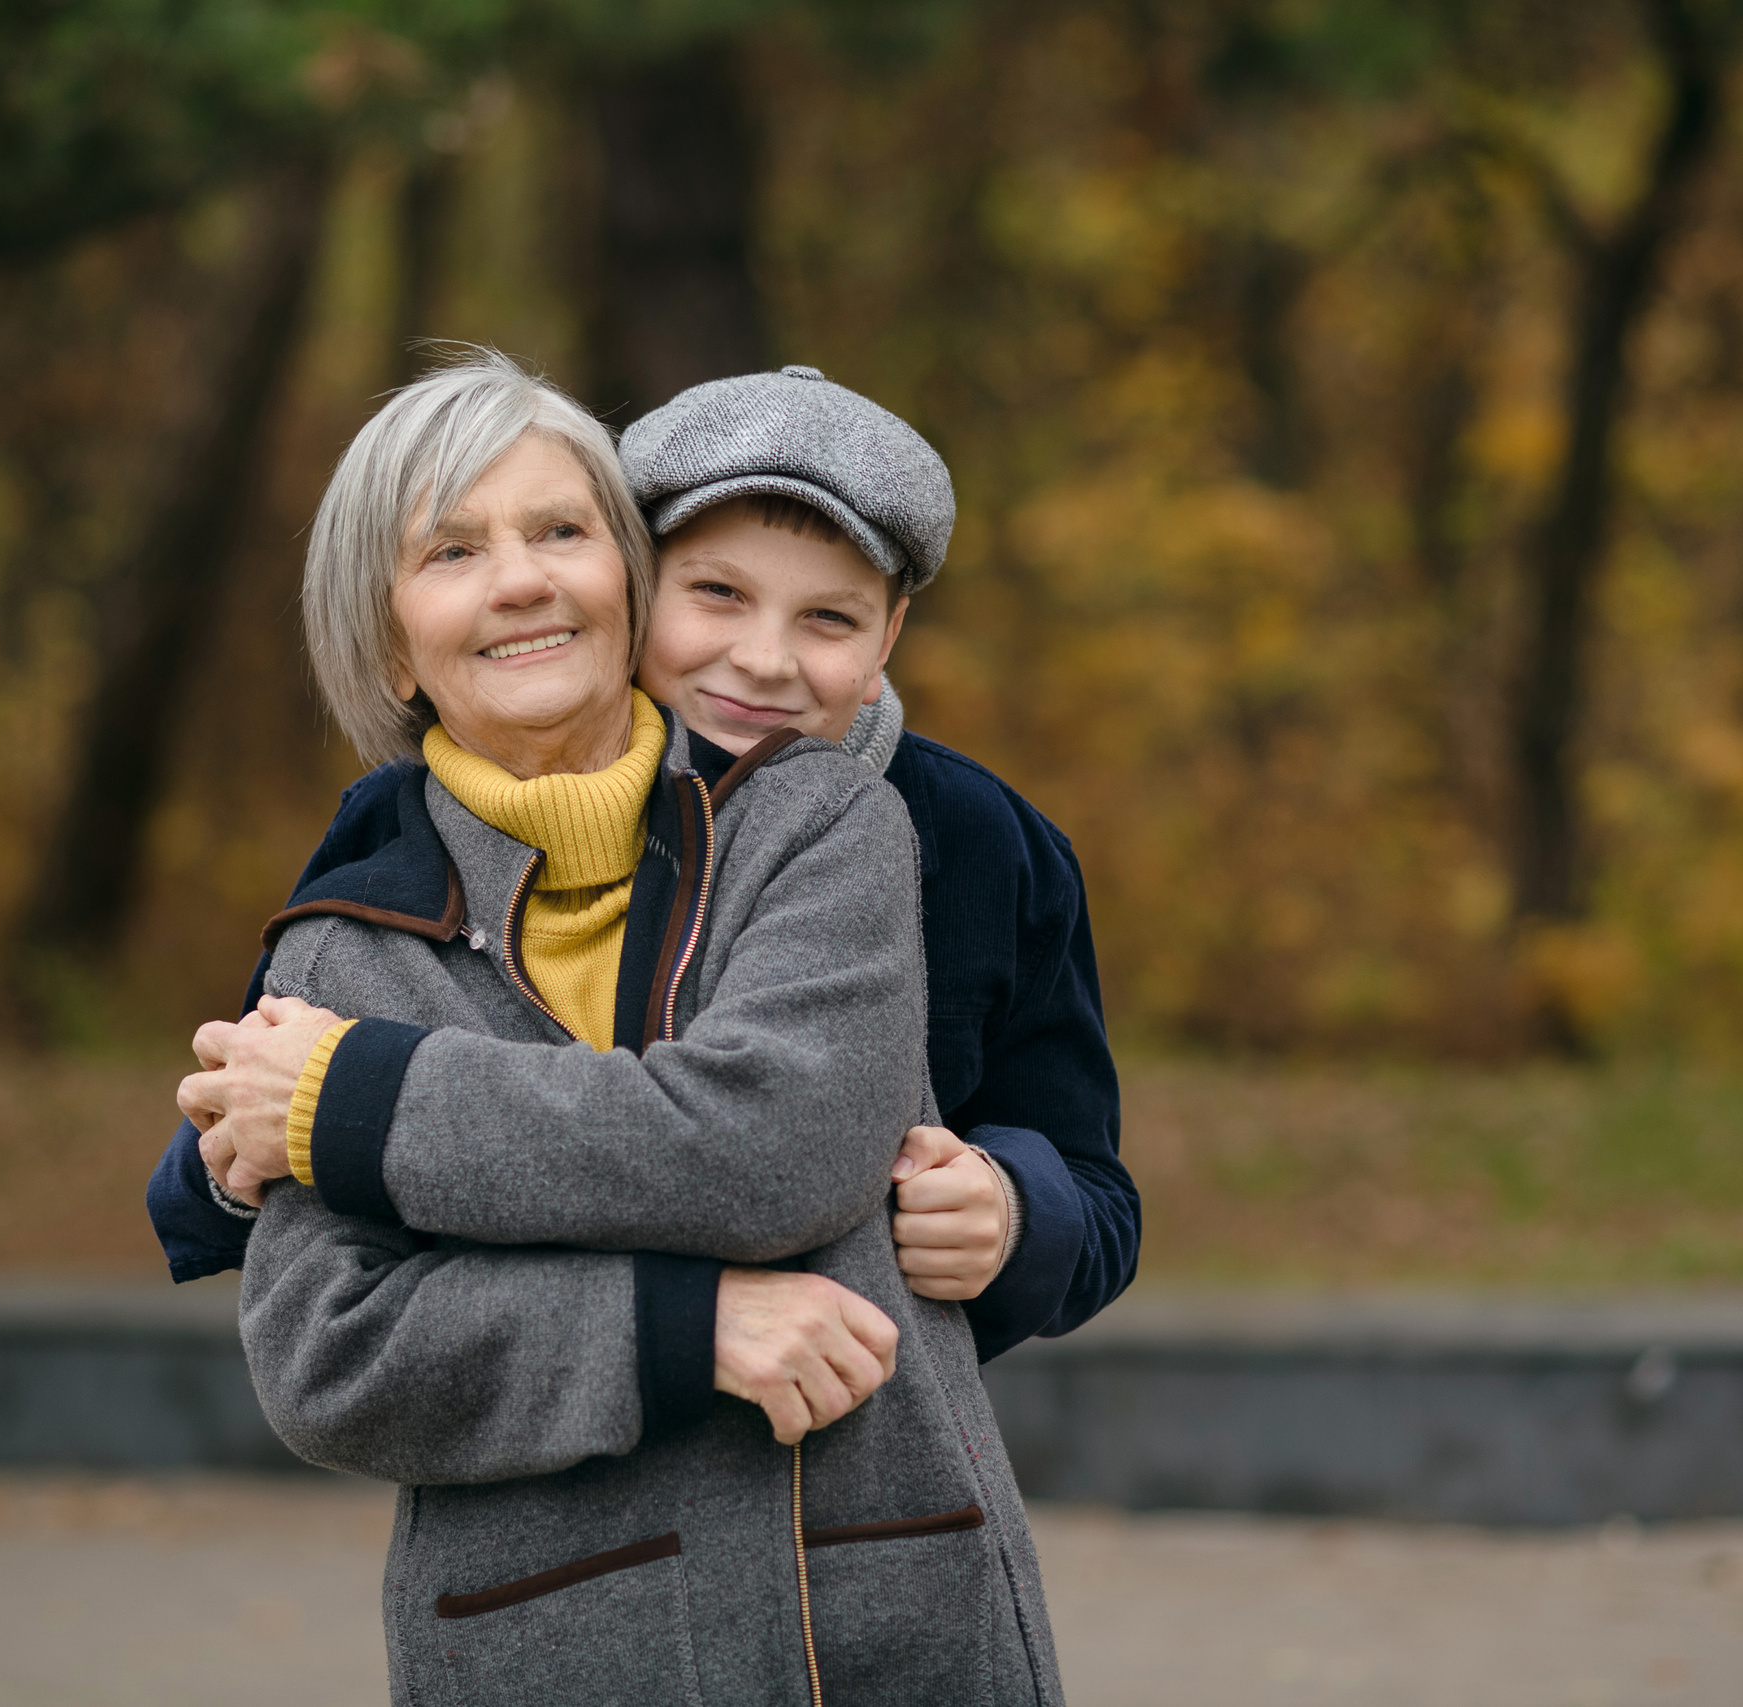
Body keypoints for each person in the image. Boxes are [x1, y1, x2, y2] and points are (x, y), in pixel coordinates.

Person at [163, 351, 1060, 1703]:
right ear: (390, 643)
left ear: (626, 577)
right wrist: (678, 1325)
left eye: (560, 530)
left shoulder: (819, 822)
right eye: (453, 550)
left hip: (886, 1622)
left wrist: (355, 1105)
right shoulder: (340, 947)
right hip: (542, 1647)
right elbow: (327, 1353)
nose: (520, 579)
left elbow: (780, 1146)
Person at [151, 365, 1136, 1364]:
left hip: (848, 1396)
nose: (763, 658)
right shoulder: (409, 825)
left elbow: (1092, 1188)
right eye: (717, 594)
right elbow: (265, 1102)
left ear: (887, 636)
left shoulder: (976, 838)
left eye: (828, 619)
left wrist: (1017, 1214)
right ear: (636, 581)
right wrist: (235, 1162)